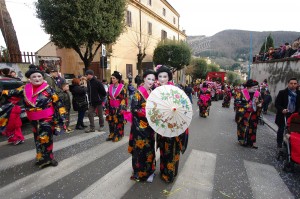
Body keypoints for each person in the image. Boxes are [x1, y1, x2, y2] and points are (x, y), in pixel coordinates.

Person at [1, 65, 66, 168]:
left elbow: (58, 103)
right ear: (29, 79)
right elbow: (8, 93)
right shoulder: (23, 89)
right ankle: (40, 158)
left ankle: (49, 159)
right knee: (37, 140)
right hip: (34, 121)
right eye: (34, 77)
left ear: (43, 77)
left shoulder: (48, 89)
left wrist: (62, 117)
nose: (37, 79)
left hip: (47, 119)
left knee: (46, 139)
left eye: (39, 76)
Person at [155, 65, 188, 183]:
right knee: (163, 150)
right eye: (160, 76)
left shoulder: (176, 89)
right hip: (161, 125)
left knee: (172, 150)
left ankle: (170, 174)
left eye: (165, 76)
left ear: (168, 77)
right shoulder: (156, 91)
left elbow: (184, 108)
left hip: (174, 126)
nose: (162, 79)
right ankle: (163, 171)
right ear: (157, 78)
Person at [128, 70, 156, 182]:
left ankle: (149, 170)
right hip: (140, 127)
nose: (151, 81)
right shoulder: (137, 93)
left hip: (150, 126)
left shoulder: (153, 92)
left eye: (153, 79)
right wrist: (148, 113)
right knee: (140, 150)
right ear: (144, 79)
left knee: (149, 148)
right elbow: (134, 109)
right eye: (149, 79)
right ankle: (139, 172)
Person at [235, 79, 262, 149]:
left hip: (254, 113)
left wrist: (259, 104)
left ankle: (251, 142)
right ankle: (242, 140)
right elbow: (237, 103)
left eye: (257, 87)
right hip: (244, 113)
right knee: (243, 127)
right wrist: (246, 106)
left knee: (253, 128)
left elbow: (261, 102)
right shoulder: (241, 93)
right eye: (254, 87)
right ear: (248, 87)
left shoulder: (258, 94)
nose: (256, 89)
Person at [275, 77, 300, 149]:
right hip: (284, 114)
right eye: (291, 83)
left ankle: (290, 143)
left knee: (293, 130)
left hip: (295, 116)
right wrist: (282, 109)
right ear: (288, 84)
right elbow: (277, 104)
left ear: (297, 84)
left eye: (295, 83)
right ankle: (279, 142)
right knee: (282, 129)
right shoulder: (282, 93)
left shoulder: (299, 94)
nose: (293, 85)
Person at [105, 71, 127, 142]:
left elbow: (124, 99)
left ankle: (119, 134)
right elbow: (108, 97)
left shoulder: (122, 88)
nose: (112, 80)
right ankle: (112, 133)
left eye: (114, 78)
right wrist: (107, 107)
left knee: (118, 122)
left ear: (118, 79)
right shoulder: (110, 87)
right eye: (112, 78)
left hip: (118, 108)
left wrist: (121, 108)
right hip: (111, 107)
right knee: (111, 121)